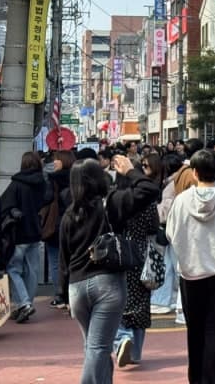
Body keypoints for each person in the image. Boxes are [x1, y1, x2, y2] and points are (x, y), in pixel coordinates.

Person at [59, 156, 159, 384]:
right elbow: (150, 189)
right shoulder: (112, 204)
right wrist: (131, 171)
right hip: (108, 282)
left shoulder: (69, 215)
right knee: (98, 348)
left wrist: (63, 293)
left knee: (93, 347)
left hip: (76, 286)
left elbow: (64, 259)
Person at [167, 149, 215, 384]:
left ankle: (198, 378)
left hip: (191, 275)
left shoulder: (181, 201)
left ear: (194, 172)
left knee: (196, 333)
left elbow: (171, 233)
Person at [113, 161, 160, 368]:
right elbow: (153, 227)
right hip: (141, 253)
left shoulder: (116, 200)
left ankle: (123, 338)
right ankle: (137, 351)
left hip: (119, 252)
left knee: (117, 300)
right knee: (140, 301)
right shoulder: (148, 203)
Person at [1, 152, 49, 323]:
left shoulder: (16, 184)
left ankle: (24, 303)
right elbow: (47, 199)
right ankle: (26, 302)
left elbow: (4, 204)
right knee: (32, 271)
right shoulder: (42, 183)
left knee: (13, 269)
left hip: (19, 232)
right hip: (35, 230)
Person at [150, 154, 185, 315]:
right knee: (172, 264)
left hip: (171, 229)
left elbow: (165, 211)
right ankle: (168, 299)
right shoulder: (183, 180)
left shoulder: (172, 185)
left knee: (169, 265)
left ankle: (164, 300)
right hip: (180, 229)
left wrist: (154, 211)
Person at [47, 150, 75, 309]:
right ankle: (71, 295)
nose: (53, 163)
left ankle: (60, 294)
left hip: (56, 224)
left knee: (56, 261)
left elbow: (46, 199)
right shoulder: (78, 179)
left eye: (55, 160)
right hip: (74, 225)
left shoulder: (52, 180)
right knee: (72, 260)